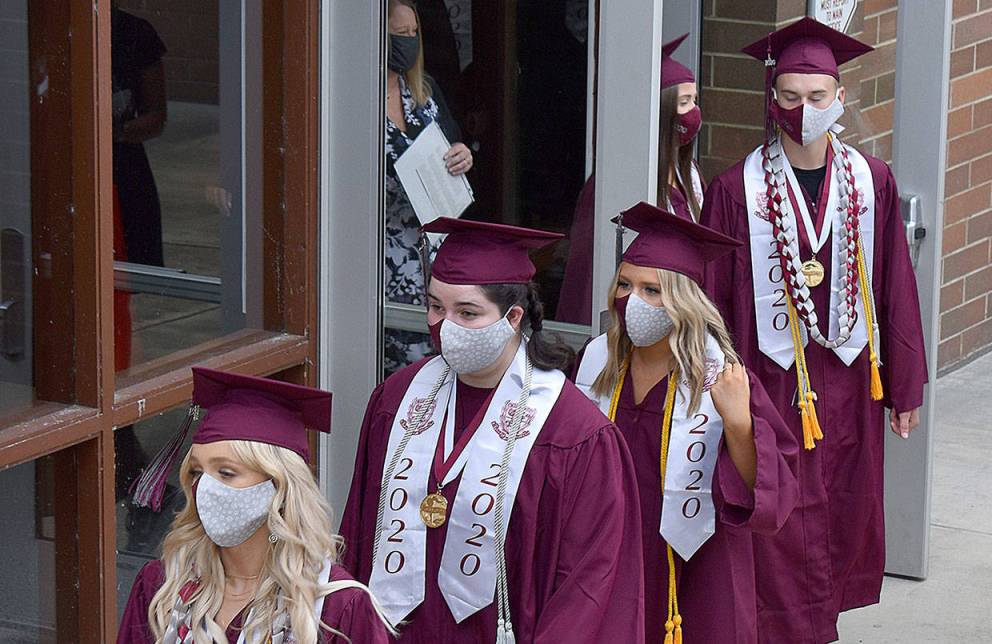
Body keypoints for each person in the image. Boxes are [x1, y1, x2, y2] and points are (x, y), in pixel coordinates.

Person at [698, 18, 929, 643]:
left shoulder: (870, 183)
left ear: (840, 99)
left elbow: (895, 288)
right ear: (773, 100)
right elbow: (712, 304)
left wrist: (905, 385)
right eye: (791, 97)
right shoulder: (733, 189)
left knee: (839, 511)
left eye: (818, 96)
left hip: (849, 382)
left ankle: (817, 627)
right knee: (779, 515)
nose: (805, 110)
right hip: (769, 383)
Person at [340, 218, 645, 642]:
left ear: (514, 316)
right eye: (435, 307)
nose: (444, 327)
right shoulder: (397, 400)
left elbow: (587, 586)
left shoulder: (572, 434)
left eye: (466, 312)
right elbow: (359, 532)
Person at [574, 202, 799, 643]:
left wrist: (738, 425)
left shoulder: (725, 377)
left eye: (652, 290)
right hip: (606, 553)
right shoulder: (597, 363)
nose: (632, 301)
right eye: (625, 285)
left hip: (695, 564)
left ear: (684, 300)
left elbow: (766, 496)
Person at [118, 368, 393, 643]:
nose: (205, 488)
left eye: (226, 473)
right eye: (197, 472)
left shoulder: (338, 608)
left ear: (280, 487)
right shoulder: (162, 587)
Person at [556, 34, 705, 325]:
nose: (695, 113)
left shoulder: (691, 174)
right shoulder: (614, 183)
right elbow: (589, 278)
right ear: (660, 112)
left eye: (695, 101)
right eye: (685, 102)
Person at [385, 0, 473, 373]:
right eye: (398, 34)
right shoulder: (352, 102)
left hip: (434, 253)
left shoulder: (424, 90)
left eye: (412, 34)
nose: (408, 42)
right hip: (386, 259)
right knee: (400, 362)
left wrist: (463, 155)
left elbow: (454, 145)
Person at [112, 2, 168, 268]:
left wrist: (117, 132)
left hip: (124, 165)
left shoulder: (135, 33)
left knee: (133, 265)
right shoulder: (59, 30)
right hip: (73, 164)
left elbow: (156, 118)